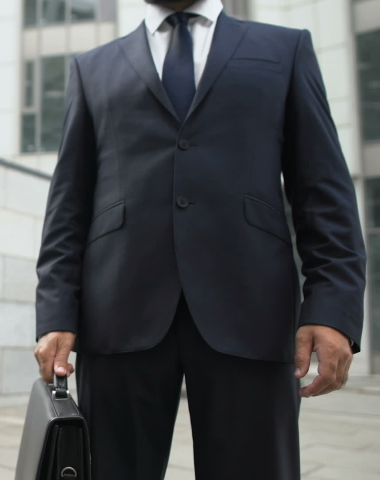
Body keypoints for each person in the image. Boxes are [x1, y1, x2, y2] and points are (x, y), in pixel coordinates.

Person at [32, 0, 367, 477]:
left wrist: (333, 309)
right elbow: (68, 205)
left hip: (253, 310)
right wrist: (55, 314)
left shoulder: (284, 49)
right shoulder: (92, 68)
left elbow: (323, 190)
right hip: (119, 315)